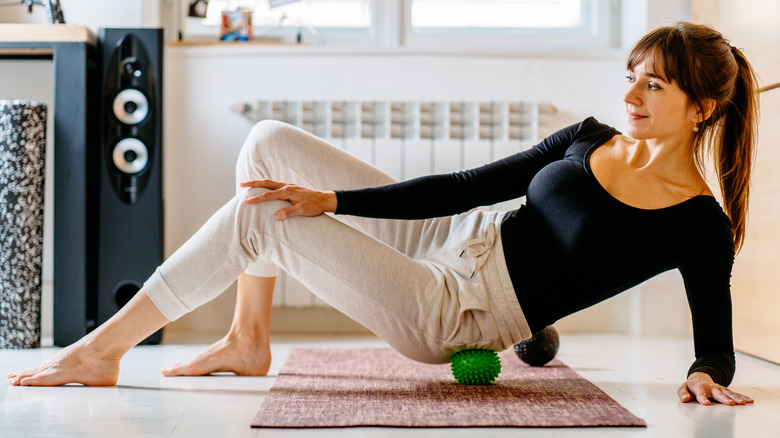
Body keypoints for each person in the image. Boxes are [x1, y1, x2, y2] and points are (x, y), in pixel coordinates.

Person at [8, 22, 757, 406]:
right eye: (632, 76)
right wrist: (336, 200)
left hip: (458, 311)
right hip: (455, 236)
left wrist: (702, 374)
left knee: (258, 217)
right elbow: (463, 184)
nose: (631, 96)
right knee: (270, 147)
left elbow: (715, 348)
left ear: (705, 106)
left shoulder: (696, 223)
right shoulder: (590, 137)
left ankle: (100, 352)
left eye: (654, 86)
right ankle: (248, 337)